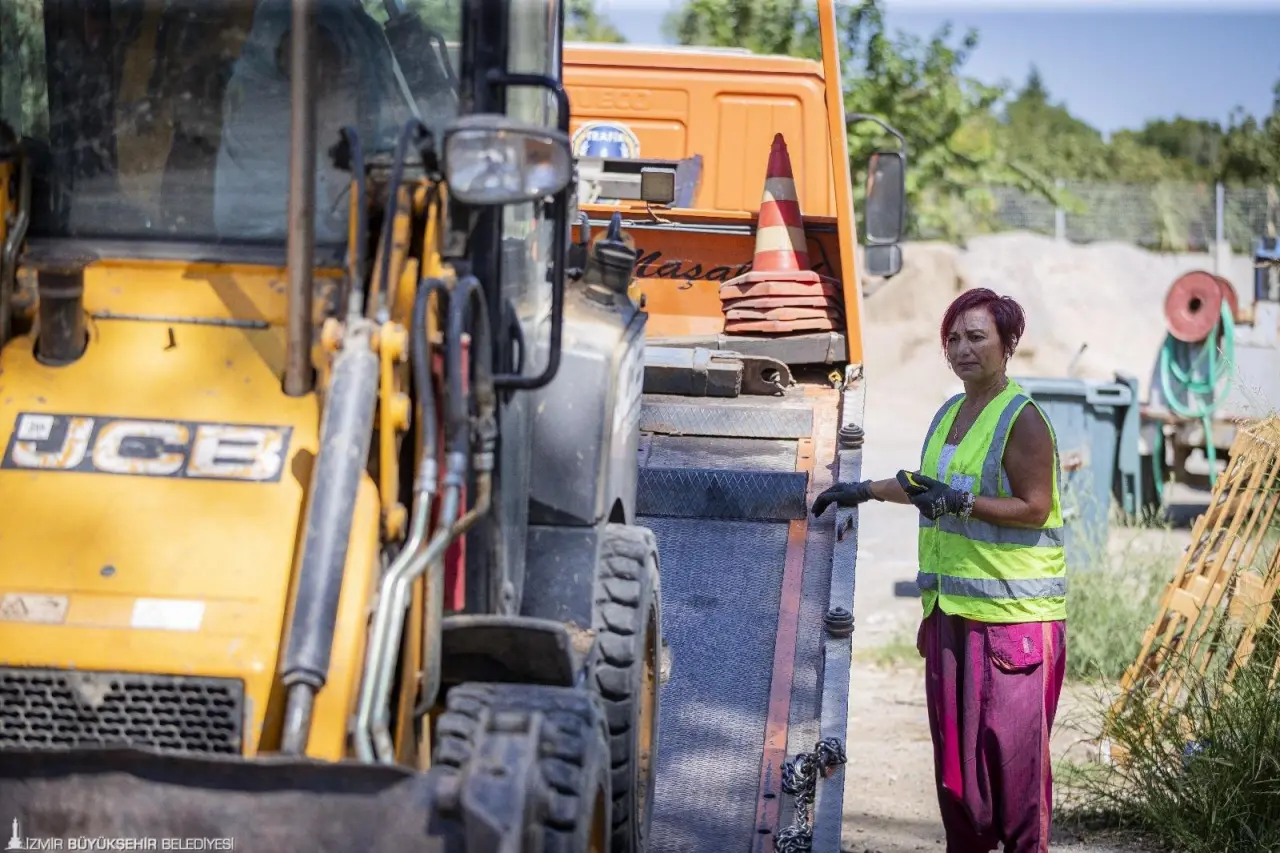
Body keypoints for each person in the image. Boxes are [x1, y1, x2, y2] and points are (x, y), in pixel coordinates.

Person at [813, 288, 1067, 853]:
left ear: (1008, 344)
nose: (961, 348)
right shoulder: (950, 413)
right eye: (952, 338)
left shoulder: (1021, 420)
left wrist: (963, 503)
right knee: (960, 780)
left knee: (1016, 780)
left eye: (976, 337)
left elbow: (1036, 507)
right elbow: (928, 488)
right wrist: (864, 491)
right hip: (951, 616)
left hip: (1015, 624)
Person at [213, 0, 406, 245]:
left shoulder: (356, 20)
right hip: (280, 238)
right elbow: (316, 66)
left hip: (320, 227)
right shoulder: (303, 14)